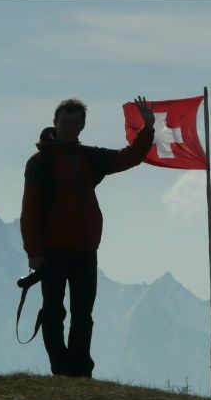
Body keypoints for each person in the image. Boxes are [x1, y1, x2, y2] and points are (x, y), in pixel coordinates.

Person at [20, 96, 155, 377]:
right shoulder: (40, 162)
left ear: (82, 125)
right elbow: (29, 210)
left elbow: (130, 157)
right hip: (53, 250)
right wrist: (34, 252)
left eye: (75, 122)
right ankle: (62, 368)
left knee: (82, 314)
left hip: (85, 249)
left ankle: (79, 370)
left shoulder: (89, 156)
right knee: (54, 311)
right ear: (55, 122)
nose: (70, 126)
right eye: (65, 121)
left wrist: (148, 128)